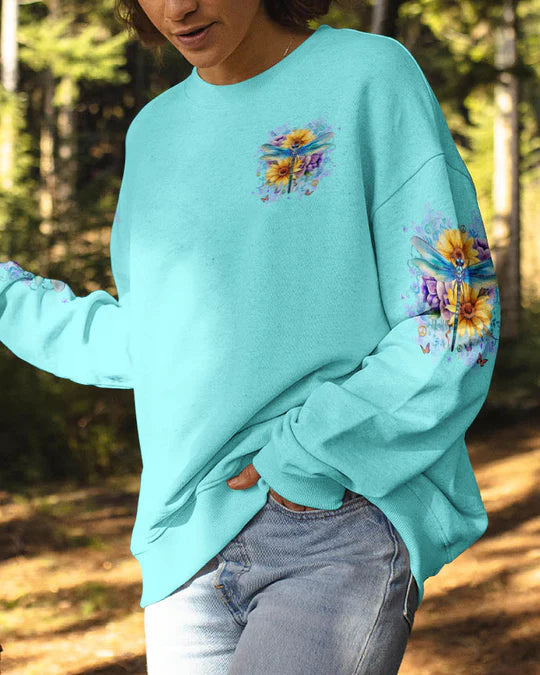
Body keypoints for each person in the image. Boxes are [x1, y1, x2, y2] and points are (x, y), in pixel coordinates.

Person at [0, 0, 501, 673]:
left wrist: (309, 453)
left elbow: (456, 315)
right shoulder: (154, 133)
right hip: (184, 547)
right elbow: (155, 338)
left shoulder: (368, 76)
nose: (178, 7)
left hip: (333, 521)